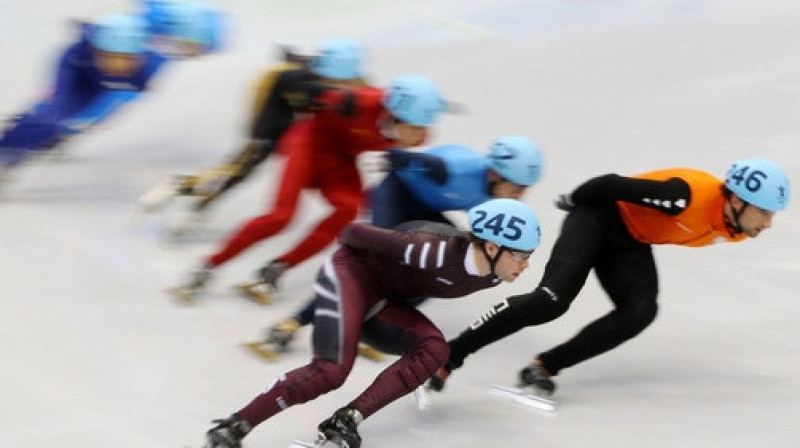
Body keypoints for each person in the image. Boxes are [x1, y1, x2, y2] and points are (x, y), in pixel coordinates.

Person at [427, 157, 791, 399]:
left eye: (772, 215)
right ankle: (452, 354)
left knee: (640, 311)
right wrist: (574, 199)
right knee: (550, 301)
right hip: (597, 218)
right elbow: (612, 184)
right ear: (736, 200)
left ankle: (544, 366)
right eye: (762, 212)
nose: (767, 223)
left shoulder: (736, 224)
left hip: (630, 239)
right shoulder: (683, 197)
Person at [201, 198, 543, 448]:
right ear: (493, 246)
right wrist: (340, 299)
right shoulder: (430, 250)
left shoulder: (495, 275)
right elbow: (352, 232)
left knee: (435, 349)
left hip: (383, 298)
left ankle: (346, 419)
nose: (525, 265)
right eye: (521, 255)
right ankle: (236, 424)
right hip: (350, 276)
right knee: (330, 372)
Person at [258, 136, 544, 357]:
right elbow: (399, 157)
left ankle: (370, 320)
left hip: (425, 209)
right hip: (396, 196)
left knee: (445, 269)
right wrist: (394, 156)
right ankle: (294, 322)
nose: (521, 196)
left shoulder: (496, 196)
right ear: (495, 174)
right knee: (368, 270)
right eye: (518, 188)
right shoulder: (457, 169)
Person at [171, 75, 447, 303]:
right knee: (282, 216)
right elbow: (287, 84)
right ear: (395, 114)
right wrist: (268, 130)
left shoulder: (416, 133)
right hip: (306, 144)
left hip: (340, 160)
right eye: (415, 127)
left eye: (423, 128)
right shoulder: (361, 102)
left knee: (348, 209)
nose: (420, 136)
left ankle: (275, 269)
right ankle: (207, 267)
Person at [133, 37, 366, 234]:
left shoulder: (344, 77)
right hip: (272, 96)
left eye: (344, 82)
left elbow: (363, 94)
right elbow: (314, 88)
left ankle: (200, 203)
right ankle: (178, 185)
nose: (341, 85)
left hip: (290, 99)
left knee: (247, 168)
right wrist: (339, 96)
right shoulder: (297, 78)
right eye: (335, 81)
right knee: (251, 155)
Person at [0, 5, 222, 184]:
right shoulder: (152, 41)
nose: (197, 55)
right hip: (81, 68)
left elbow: (121, 96)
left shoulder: (162, 45)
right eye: (196, 47)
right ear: (182, 34)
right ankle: (17, 140)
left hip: (101, 76)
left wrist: (75, 124)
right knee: (51, 116)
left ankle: (36, 130)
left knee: (66, 117)